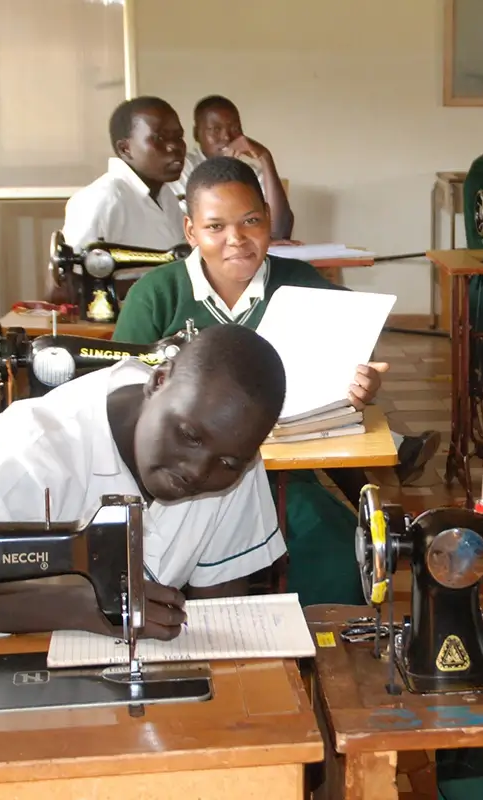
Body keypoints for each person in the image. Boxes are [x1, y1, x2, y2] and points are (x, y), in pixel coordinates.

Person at [113, 156, 441, 605]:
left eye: (251, 221)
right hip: (180, 478)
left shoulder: (304, 286)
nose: (237, 240)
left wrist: (358, 391)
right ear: (191, 231)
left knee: (333, 548)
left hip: (283, 477)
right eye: (215, 227)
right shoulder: (156, 295)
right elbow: (123, 390)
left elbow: (344, 375)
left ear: (269, 219)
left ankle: (322, 657)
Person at [0, 325, 287, 640]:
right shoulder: (26, 452)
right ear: (158, 382)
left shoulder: (234, 454)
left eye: (228, 463)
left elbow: (221, 613)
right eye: (188, 436)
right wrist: (75, 608)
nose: (198, 472)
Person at [46, 96, 187, 304]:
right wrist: (154, 286)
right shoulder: (101, 199)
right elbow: (70, 286)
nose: (174, 147)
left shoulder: (166, 196)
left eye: (178, 137)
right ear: (125, 149)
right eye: (159, 138)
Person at [171, 95, 294, 241]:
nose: (226, 137)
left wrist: (265, 157)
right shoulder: (181, 169)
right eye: (215, 129)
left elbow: (280, 232)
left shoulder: (251, 173)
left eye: (235, 128)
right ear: (196, 134)